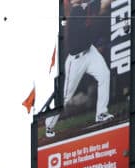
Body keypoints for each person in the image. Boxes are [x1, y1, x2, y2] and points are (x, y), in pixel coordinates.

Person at [44, 0, 114, 138]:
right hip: (76, 60)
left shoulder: (86, 6)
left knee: (104, 74)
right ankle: (49, 125)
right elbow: (85, 7)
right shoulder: (75, 11)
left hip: (90, 52)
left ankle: (101, 113)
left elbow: (104, 3)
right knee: (66, 96)